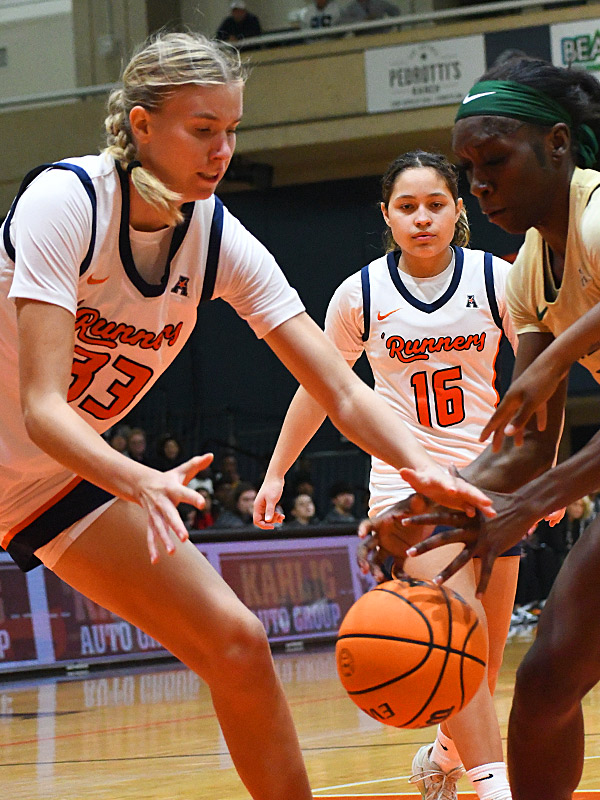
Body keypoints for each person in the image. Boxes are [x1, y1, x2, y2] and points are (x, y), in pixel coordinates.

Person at [0, 32, 491, 800]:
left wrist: (422, 465)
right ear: (140, 125)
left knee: (237, 642)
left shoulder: (218, 236)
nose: (222, 150)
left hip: (49, 481)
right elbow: (38, 409)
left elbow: (340, 388)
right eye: (202, 130)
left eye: (232, 131)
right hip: (63, 451)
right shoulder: (67, 202)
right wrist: (137, 478)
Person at [254, 149, 520, 800]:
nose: (422, 218)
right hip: (408, 489)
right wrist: (277, 470)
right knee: (458, 630)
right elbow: (320, 388)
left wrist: (539, 476)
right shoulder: (361, 295)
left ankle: (443, 755)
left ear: (458, 210)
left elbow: (543, 375)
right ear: (386, 215)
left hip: (490, 481)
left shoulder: (497, 280)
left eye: (436, 204)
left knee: (478, 670)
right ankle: (496, 787)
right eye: (407, 206)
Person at [384, 56, 600, 800]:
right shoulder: (528, 270)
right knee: (544, 682)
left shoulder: (599, 214)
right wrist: (435, 505)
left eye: (495, 160)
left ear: (560, 145)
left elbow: (542, 396)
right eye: (468, 166)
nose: (479, 182)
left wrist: (554, 359)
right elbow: (529, 444)